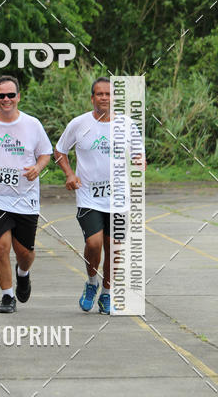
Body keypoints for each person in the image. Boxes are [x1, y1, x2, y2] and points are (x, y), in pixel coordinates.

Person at [55, 77, 145, 314]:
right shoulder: (79, 123)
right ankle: (91, 282)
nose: (104, 97)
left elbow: (138, 154)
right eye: (100, 94)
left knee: (113, 247)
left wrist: (140, 161)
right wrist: (69, 174)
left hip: (119, 198)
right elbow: (60, 150)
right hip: (89, 196)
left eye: (109, 93)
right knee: (93, 243)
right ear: (92, 98)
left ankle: (106, 293)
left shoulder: (127, 125)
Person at [0, 75, 52, 314]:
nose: (6, 99)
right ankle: (7, 295)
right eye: (1, 95)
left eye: (10, 95)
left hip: (25, 197)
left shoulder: (32, 124)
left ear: (18, 97)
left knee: (25, 252)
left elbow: (45, 153)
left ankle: (23, 273)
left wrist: (37, 168)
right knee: (0, 247)